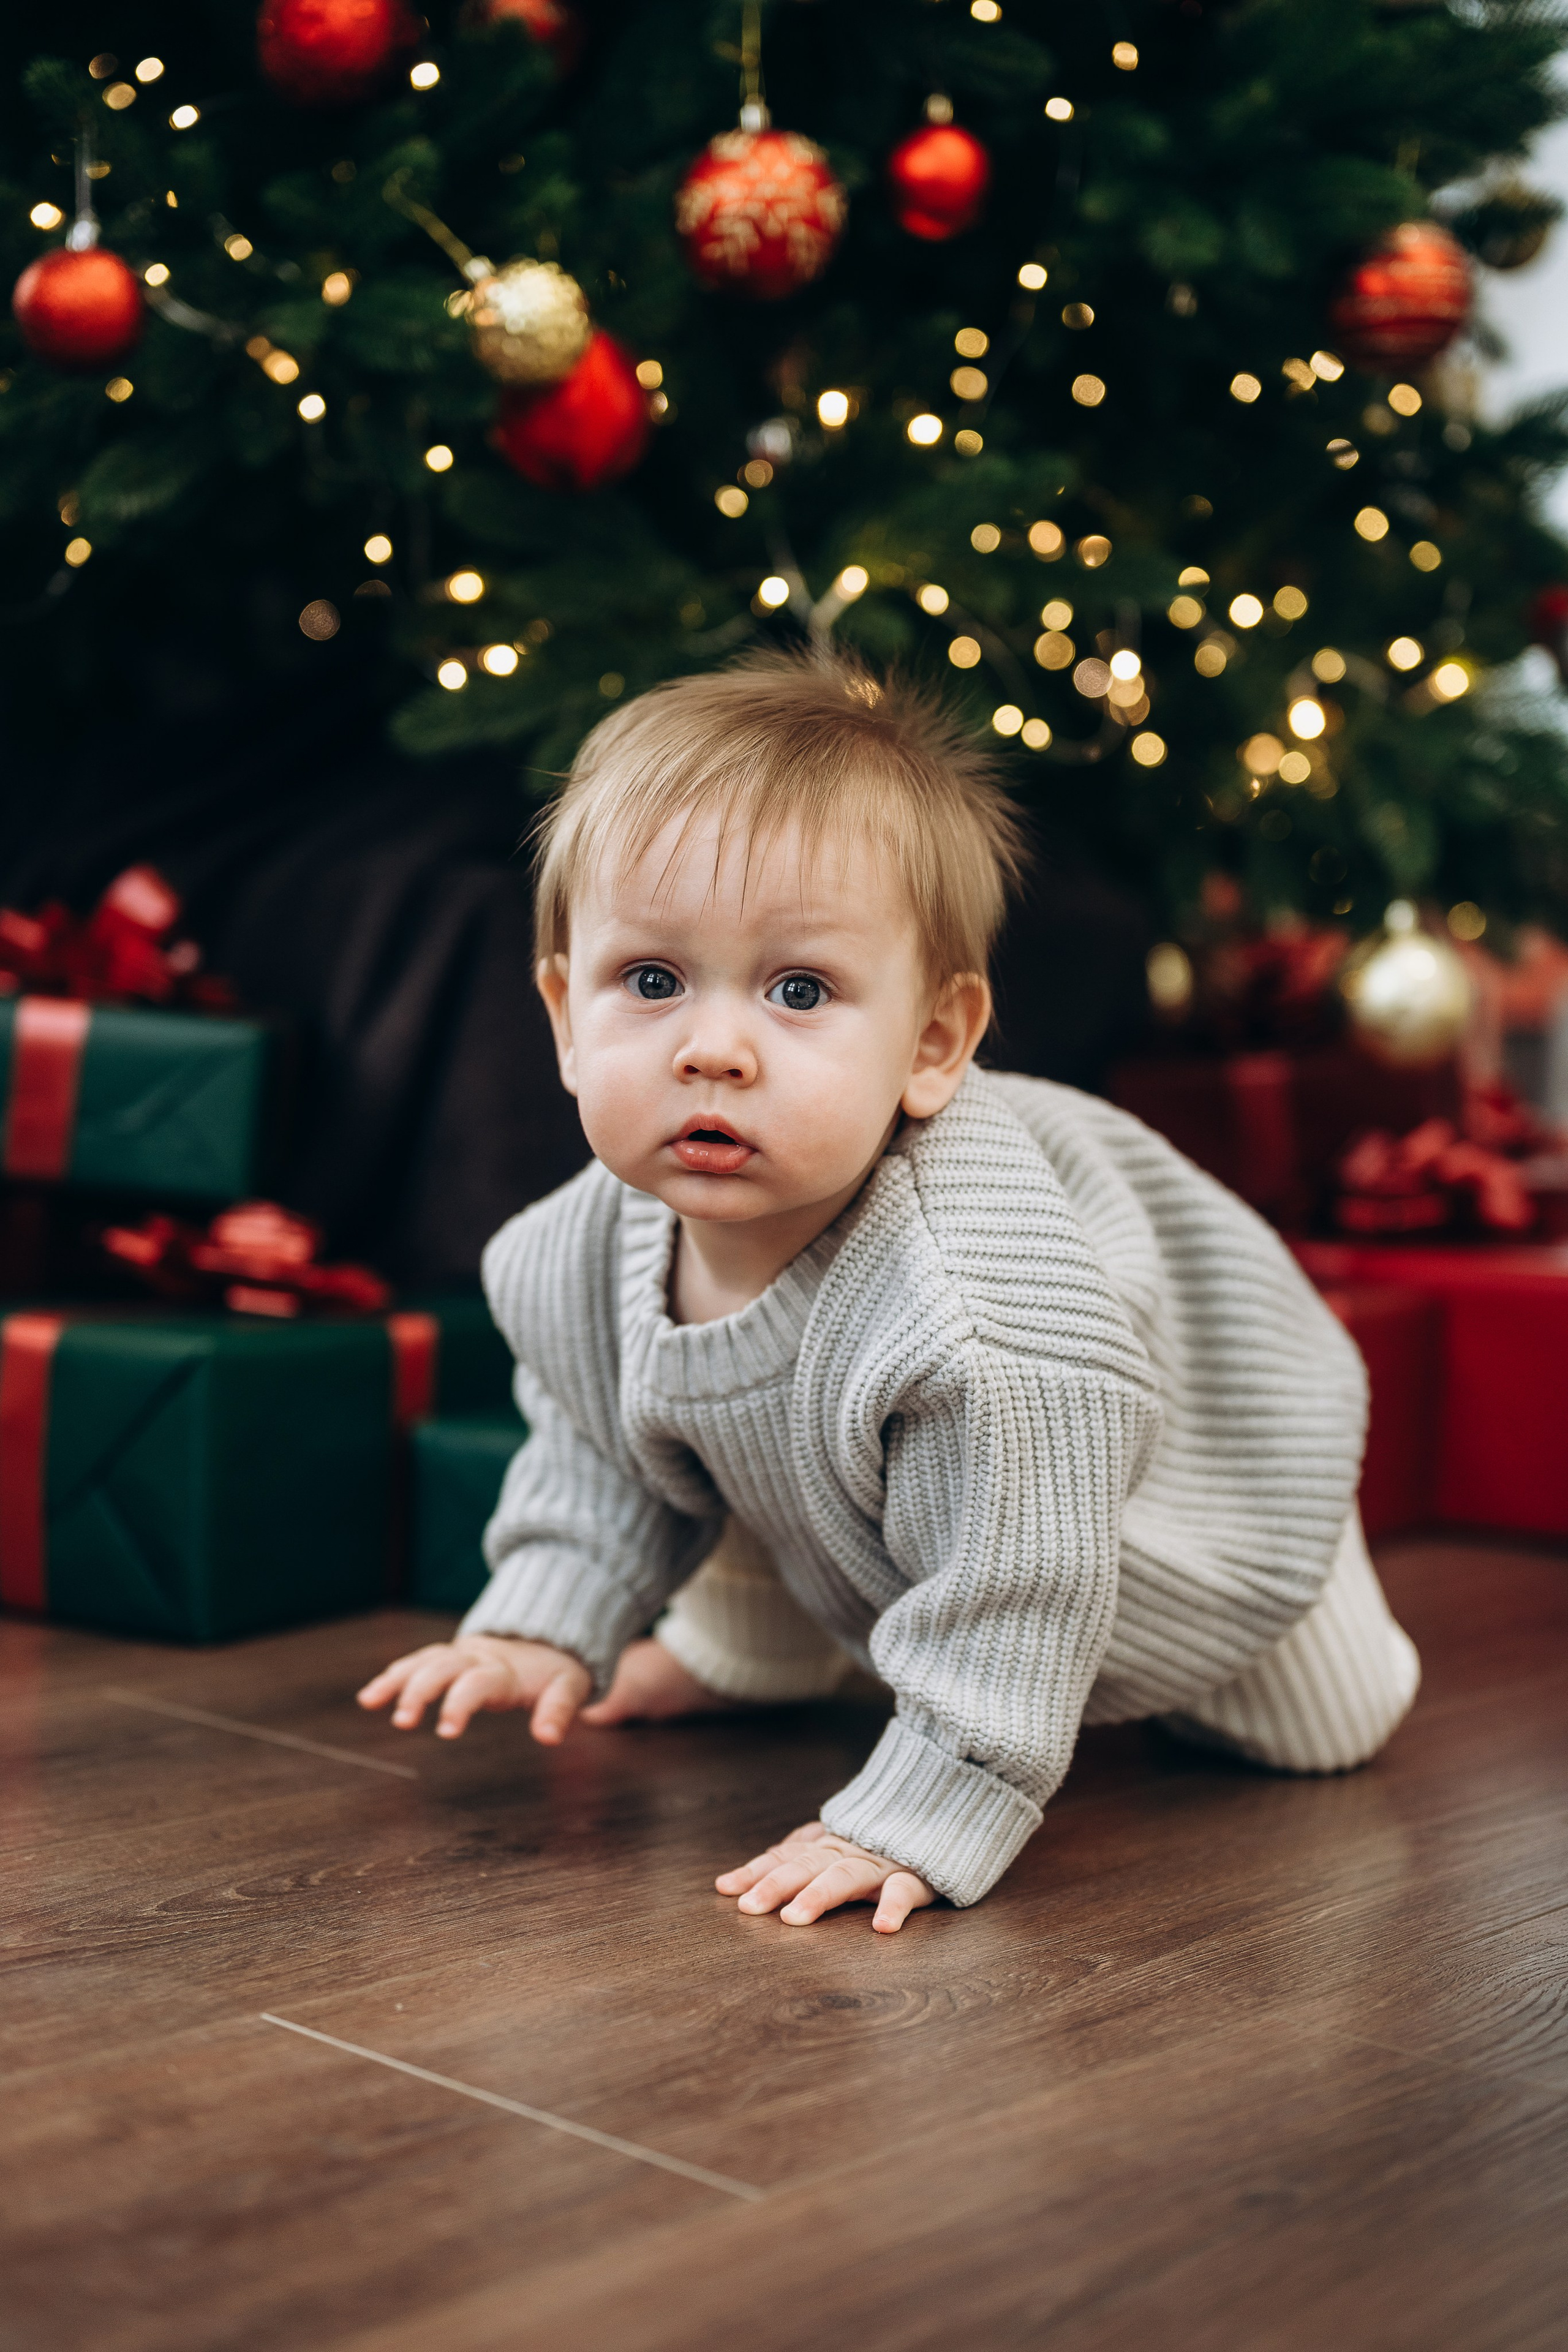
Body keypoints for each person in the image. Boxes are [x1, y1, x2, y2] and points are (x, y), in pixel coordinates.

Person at [358, 650, 1419, 1932]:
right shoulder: (571, 1253)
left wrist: (924, 1805)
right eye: (651, 981)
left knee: (1321, 1730)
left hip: (1185, 1475)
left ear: (931, 1043)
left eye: (798, 991)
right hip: (863, 1481)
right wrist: (542, 1624)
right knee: (733, 1412)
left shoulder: (976, 1312)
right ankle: (754, 1653)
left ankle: (1291, 1607)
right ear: (564, 1017)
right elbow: (601, 1447)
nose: (711, 1049)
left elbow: (1018, 1576)